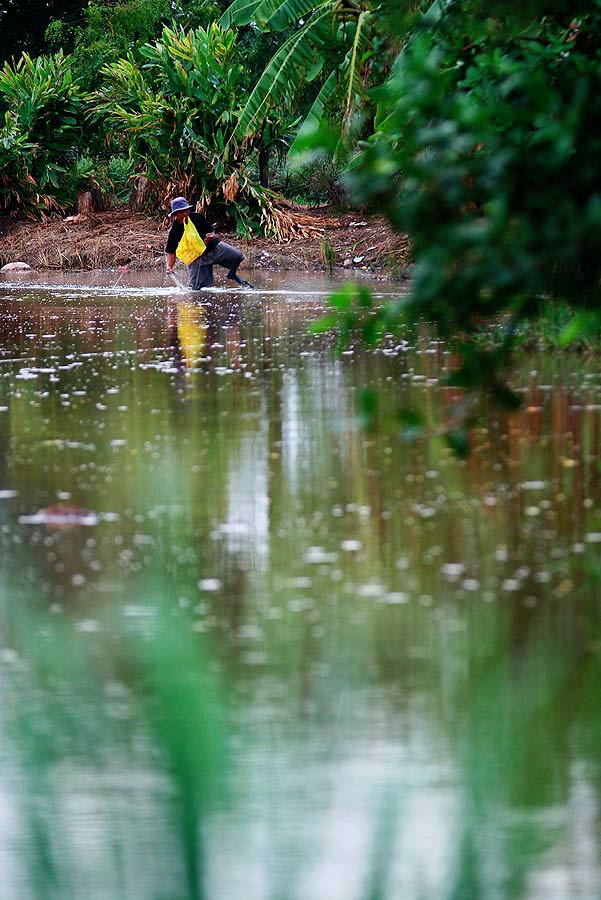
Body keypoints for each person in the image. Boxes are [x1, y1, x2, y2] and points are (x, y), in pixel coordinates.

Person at [164, 196, 253, 290]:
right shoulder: (175, 230)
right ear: (176, 214)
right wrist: (169, 266)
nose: (186, 214)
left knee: (238, 256)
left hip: (213, 248)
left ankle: (232, 274)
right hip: (197, 260)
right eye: (182, 212)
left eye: (187, 210)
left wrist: (212, 236)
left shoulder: (198, 218)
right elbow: (171, 251)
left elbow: (211, 231)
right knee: (197, 289)